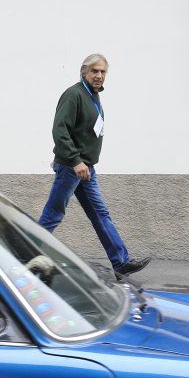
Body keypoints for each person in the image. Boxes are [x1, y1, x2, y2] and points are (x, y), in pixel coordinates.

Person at [38, 53, 150, 277]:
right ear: (84, 72)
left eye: (102, 72)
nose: (99, 75)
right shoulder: (74, 95)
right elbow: (60, 131)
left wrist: (84, 164)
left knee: (100, 213)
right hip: (72, 167)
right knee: (53, 216)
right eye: (94, 71)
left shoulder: (93, 96)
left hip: (86, 168)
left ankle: (121, 263)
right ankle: (22, 257)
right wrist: (76, 161)